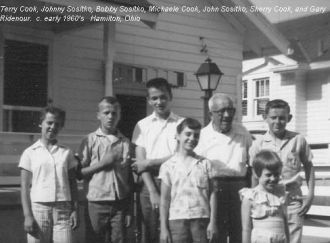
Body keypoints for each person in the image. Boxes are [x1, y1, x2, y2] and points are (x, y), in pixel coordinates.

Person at [249, 99, 315, 243]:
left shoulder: (298, 140)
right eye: (273, 117)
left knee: (293, 239)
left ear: (289, 118)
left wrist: (310, 196)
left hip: (292, 201)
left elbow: (309, 166)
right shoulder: (258, 144)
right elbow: (255, 176)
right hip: (268, 202)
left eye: (282, 118)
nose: (277, 122)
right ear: (265, 118)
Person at [195, 93, 252, 243]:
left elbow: (253, 164)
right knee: (215, 234)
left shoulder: (243, 132)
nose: (227, 115)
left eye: (230, 110)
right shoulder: (202, 136)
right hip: (213, 190)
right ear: (210, 114)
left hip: (239, 189)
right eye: (221, 111)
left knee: (239, 233)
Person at [131, 78, 183, 243]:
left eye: (163, 97)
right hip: (149, 183)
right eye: (154, 98)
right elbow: (141, 161)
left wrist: (150, 162)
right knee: (151, 233)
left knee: (175, 230)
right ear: (148, 100)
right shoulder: (142, 125)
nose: (159, 102)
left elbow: (180, 155)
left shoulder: (181, 124)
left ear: (170, 96)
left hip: (176, 182)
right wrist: (153, 191)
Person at [77, 96, 133, 243]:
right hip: (97, 202)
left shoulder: (125, 142)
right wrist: (102, 164)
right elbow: (79, 173)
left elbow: (128, 178)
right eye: (106, 112)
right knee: (95, 239)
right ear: (98, 115)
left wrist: (129, 209)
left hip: (119, 204)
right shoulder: (89, 140)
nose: (110, 117)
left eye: (114, 113)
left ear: (119, 116)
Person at [20, 106, 79, 243]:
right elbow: (24, 187)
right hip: (39, 209)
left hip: (63, 209)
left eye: (57, 124)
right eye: (49, 123)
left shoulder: (66, 152)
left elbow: (72, 183)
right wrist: (28, 215)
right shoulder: (30, 153)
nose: (53, 127)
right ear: (41, 123)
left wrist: (75, 210)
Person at [159, 118, 217, 243]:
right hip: (177, 221)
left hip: (201, 219)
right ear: (178, 136)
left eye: (196, 136)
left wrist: (212, 222)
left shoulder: (205, 164)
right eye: (188, 134)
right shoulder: (168, 166)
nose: (192, 138)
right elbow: (164, 199)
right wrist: (163, 228)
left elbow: (213, 194)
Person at [240, 150, 289, 243]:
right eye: (268, 175)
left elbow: (285, 224)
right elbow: (246, 229)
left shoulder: (280, 196)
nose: (273, 178)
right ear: (257, 174)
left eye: (276, 174)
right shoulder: (250, 197)